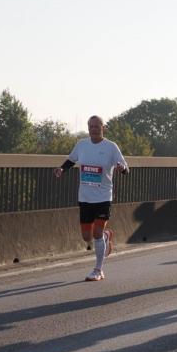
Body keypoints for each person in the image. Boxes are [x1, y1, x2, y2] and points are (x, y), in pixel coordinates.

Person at [55, 116, 129, 281]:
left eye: (97, 126)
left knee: (96, 234)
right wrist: (61, 169)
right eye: (91, 126)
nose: (94, 129)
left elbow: (126, 168)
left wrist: (121, 168)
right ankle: (106, 236)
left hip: (103, 196)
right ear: (88, 128)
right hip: (85, 197)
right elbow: (71, 160)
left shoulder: (111, 147)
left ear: (104, 128)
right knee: (86, 237)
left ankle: (98, 270)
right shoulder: (82, 145)